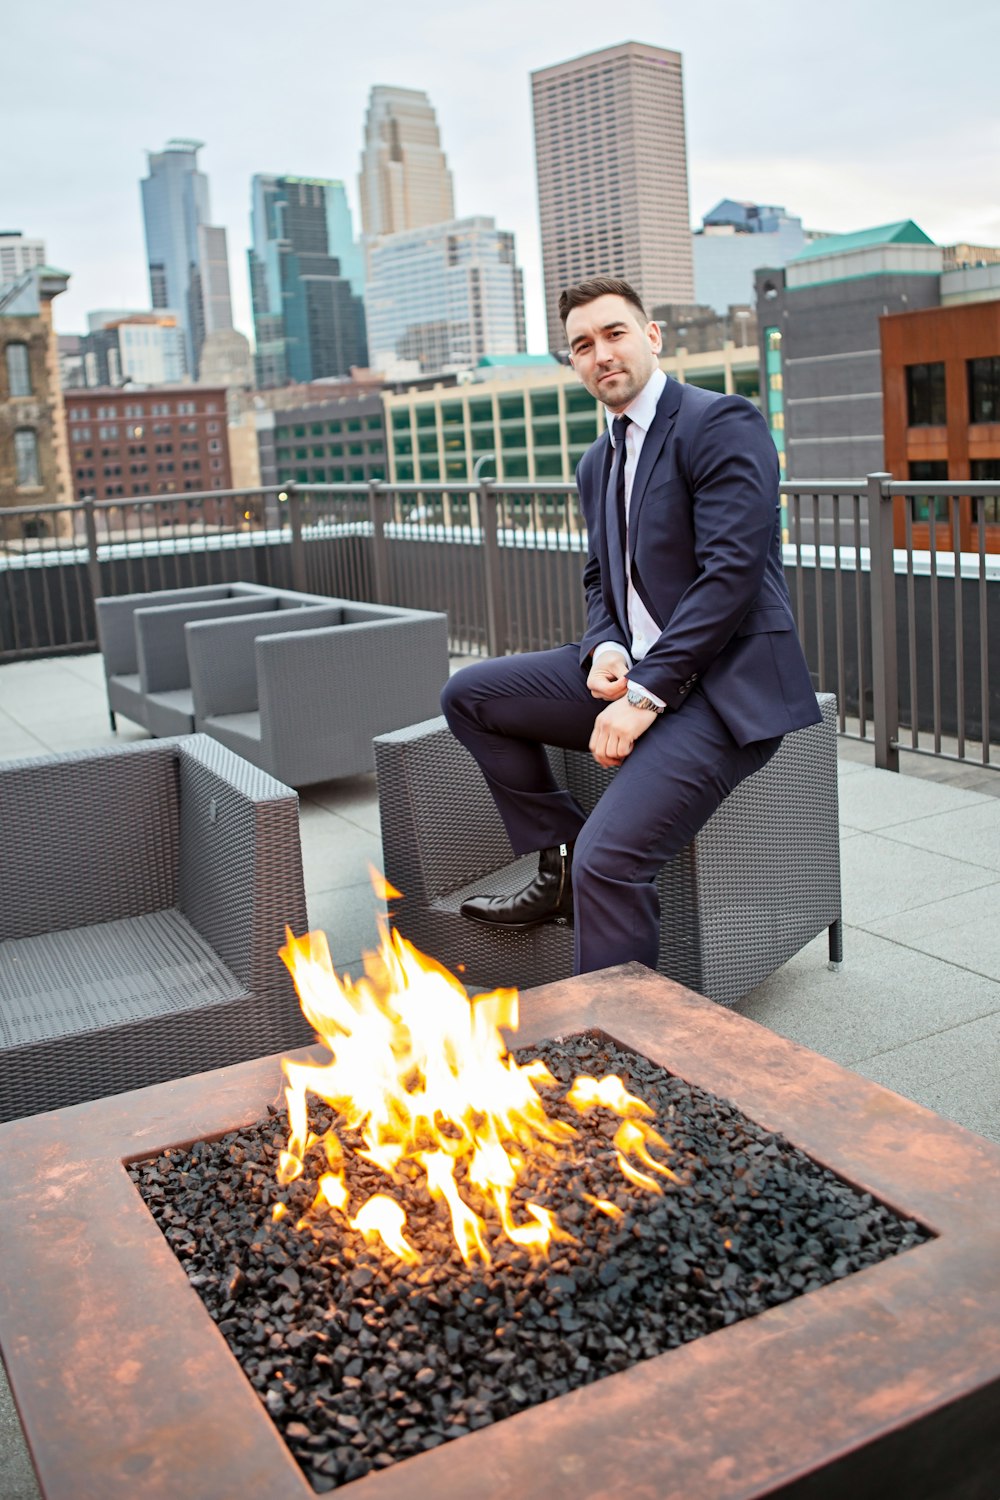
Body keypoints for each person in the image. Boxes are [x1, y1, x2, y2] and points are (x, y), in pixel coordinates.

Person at [440, 277, 819, 976]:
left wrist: (645, 695)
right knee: (469, 696)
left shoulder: (720, 422)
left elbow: (731, 575)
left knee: (610, 862)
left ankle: (621, 1056)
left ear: (651, 336)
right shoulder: (598, 459)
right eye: (582, 345)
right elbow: (600, 578)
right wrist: (606, 645)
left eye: (614, 334)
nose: (600, 354)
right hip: (638, 667)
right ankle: (559, 864)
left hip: (723, 689)